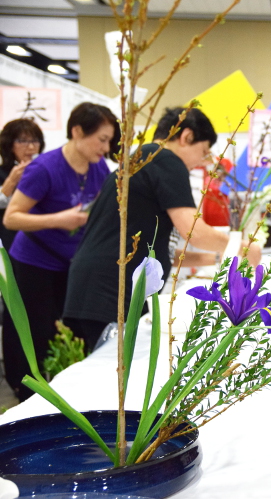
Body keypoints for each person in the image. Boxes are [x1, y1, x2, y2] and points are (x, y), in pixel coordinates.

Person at [63, 107, 249, 351]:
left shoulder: (145, 157)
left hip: (96, 285)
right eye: (203, 152)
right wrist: (241, 246)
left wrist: (220, 256)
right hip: (109, 290)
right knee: (115, 374)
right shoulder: (166, 159)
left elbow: (163, 251)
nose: (201, 162)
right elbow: (193, 231)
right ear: (187, 137)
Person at [3, 102, 119, 401]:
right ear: (77, 131)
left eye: (109, 141)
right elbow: (11, 217)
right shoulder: (45, 168)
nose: (106, 148)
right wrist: (62, 219)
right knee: (34, 331)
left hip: (73, 264)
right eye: (101, 139)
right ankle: (26, 393)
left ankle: (67, 393)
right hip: (34, 263)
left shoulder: (99, 168)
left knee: (70, 330)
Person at [0, 118, 45, 250]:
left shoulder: (46, 171)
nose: (31, 147)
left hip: (42, 240)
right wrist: (11, 181)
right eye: (23, 141)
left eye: (35, 140)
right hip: (9, 241)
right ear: (9, 144)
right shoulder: (2, 173)